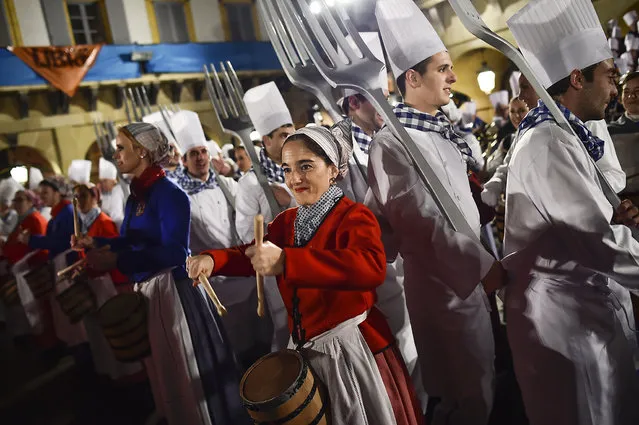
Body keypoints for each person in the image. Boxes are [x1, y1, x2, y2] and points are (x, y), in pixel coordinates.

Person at [188, 126, 425, 425]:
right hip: (306, 350)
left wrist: (289, 261)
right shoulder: (286, 222)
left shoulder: (354, 216)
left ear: (333, 170)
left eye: (306, 166)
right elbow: (253, 253)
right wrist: (213, 259)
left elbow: (370, 267)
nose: (294, 179)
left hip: (351, 350)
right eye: (287, 169)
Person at [369, 1, 505, 423]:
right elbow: (420, 222)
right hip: (444, 289)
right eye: (443, 68)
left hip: (466, 280)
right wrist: (482, 267)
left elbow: (458, 201)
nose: (453, 76)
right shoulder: (391, 142)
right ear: (413, 77)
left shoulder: (439, 130)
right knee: (466, 397)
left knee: (481, 388)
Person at [504, 1, 639, 423]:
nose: (616, 90)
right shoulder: (547, 144)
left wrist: (617, 212)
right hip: (567, 324)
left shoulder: (569, 131)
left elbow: (601, 212)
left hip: (591, 307)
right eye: (610, 77)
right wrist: (613, 223)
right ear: (577, 78)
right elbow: (599, 243)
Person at [72, 122, 248, 425]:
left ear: (141, 152)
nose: (115, 154)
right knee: (167, 371)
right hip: (151, 291)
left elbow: (175, 253)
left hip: (175, 293)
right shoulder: (137, 196)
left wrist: (116, 261)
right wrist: (96, 243)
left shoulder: (169, 194)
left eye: (120, 148)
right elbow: (131, 240)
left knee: (187, 369)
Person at [170, 110, 273, 367]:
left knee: (266, 338)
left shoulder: (228, 184)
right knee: (238, 348)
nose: (200, 158)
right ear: (184, 160)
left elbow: (248, 217)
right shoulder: (181, 198)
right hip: (218, 282)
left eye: (203, 151)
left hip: (247, 271)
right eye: (193, 154)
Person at [236, 81, 297, 243]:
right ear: (267, 140)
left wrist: (290, 202)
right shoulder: (249, 183)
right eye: (284, 135)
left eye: (293, 134)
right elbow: (247, 234)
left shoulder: (306, 169)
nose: (292, 140)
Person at [485, 97, 529, 178]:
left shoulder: (538, 137)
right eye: (512, 111)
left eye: (522, 111)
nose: (516, 116)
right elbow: (493, 169)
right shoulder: (508, 140)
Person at [98, 158, 125, 230]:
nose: (102, 184)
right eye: (101, 181)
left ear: (113, 180)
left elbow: (116, 217)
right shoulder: (104, 194)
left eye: (105, 181)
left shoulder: (117, 190)